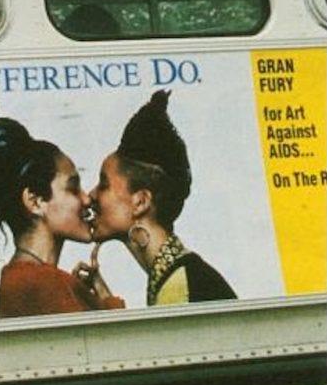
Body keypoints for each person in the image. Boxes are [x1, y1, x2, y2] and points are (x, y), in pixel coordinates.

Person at [0, 104, 124, 318]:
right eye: (73, 187)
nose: (86, 198)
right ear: (35, 201)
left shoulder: (20, 277)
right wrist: (107, 301)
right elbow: (122, 339)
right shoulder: (45, 282)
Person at [90, 90, 236, 305]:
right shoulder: (179, 275)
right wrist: (106, 299)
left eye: (103, 184)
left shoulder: (180, 285)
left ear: (141, 202)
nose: (91, 195)